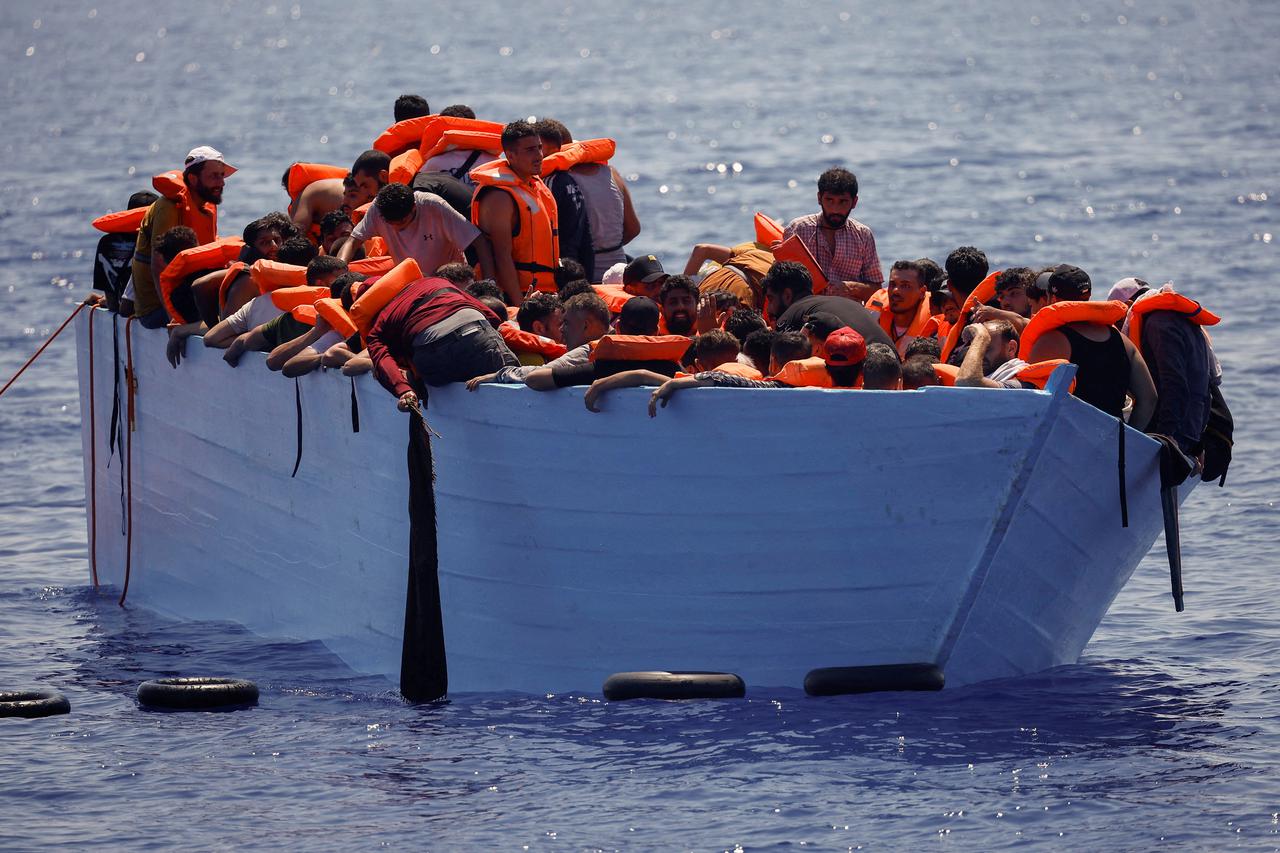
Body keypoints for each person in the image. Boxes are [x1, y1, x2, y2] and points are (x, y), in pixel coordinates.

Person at [355, 273, 518, 409]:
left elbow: (382, 359)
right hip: (481, 335)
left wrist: (403, 390)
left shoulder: (381, 321)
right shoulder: (436, 281)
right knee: (514, 380)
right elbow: (491, 317)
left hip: (435, 359)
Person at [1026, 264, 1157, 423]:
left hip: (1066, 444)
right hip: (1113, 443)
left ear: (1052, 299)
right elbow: (1149, 398)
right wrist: (1128, 441)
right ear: (1088, 297)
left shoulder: (1051, 342)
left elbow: (1030, 403)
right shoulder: (1121, 339)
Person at [130, 146, 234, 328]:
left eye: (222, 175)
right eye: (214, 176)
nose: (222, 182)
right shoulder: (169, 208)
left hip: (191, 293)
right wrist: (173, 317)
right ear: (193, 179)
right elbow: (158, 264)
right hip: (157, 308)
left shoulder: (208, 206)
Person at [538, 118, 641, 281]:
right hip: (619, 270)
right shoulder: (611, 172)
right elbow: (633, 229)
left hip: (584, 274)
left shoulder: (558, 181)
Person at [1122, 283, 1219, 453]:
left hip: (1176, 434)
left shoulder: (1159, 325)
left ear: (1129, 304)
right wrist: (1198, 443)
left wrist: (1166, 435)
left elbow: (1174, 383)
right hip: (1192, 429)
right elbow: (1208, 385)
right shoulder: (1183, 320)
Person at [473, 120, 560, 305]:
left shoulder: (534, 184)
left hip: (543, 291)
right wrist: (520, 305)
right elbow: (502, 257)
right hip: (516, 296)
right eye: (530, 150)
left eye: (539, 148)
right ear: (510, 155)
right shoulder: (500, 197)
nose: (539, 155)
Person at [338, 183, 491, 277]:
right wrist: (339, 270)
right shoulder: (377, 208)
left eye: (402, 222)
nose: (396, 228)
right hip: (411, 285)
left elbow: (479, 241)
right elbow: (352, 241)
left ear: (414, 207)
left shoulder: (433, 206)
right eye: (390, 223)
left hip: (450, 281)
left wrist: (489, 283)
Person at [468, 291, 614, 388]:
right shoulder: (616, 347)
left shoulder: (586, 351)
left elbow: (538, 374)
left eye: (567, 323)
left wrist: (499, 374)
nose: (562, 329)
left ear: (586, 326)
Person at [781, 167, 883, 301]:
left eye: (843, 202)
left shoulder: (863, 235)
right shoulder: (798, 229)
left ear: (854, 202)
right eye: (829, 200)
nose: (835, 209)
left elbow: (877, 290)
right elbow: (781, 283)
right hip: (806, 312)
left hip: (848, 314)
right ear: (819, 198)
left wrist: (849, 288)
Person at [765, 260, 894, 349]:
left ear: (787, 295)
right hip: (893, 366)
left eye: (770, 299)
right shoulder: (846, 303)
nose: (768, 309)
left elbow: (777, 361)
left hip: (869, 372)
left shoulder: (791, 314)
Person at [94, 190, 157, 313]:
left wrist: (107, 302)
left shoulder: (106, 242)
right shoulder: (156, 241)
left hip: (119, 309)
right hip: (147, 312)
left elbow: (112, 302)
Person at [876, 259, 939, 358]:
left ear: (922, 292)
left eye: (905, 286)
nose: (895, 291)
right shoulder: (875, 315)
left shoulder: (937, 324)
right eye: (892, 284)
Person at [955, 320, 1030, 388]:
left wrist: (981, 337)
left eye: (986, 348)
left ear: (1011, 348)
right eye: (976, 349)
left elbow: (966, 382)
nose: (979, 355)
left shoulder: (1023, 382)